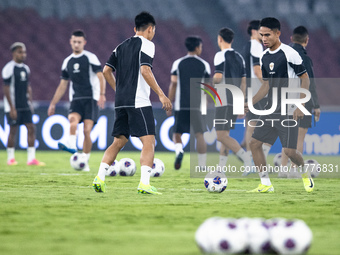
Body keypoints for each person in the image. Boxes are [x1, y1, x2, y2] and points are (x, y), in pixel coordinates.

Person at [93, 12, 172, 194]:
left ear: (135, 29)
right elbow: (145, 70)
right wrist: (161, 94)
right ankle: (144, 184)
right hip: (139, 101)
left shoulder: (119, 47)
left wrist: (119, 90)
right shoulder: (148, 44)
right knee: (149, 141)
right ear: (150, 29)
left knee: (118, 141)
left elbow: (106, 71)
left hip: (121, 102)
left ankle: (99, 177)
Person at [246, 17, 314, 193]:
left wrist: (301, 105)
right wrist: (250, 102)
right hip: (271, 108)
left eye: (267, 35)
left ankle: (305, 173)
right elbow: (266, 85)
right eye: (261, 35)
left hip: (289, 109)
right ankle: (266, 184)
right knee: (254, 143)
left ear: (278, 33)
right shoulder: (264, 56)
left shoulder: (290, 54)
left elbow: (305, 79)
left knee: (290, 152)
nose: (264, 39)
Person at [48, 30, 105, 172]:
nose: (77, 44)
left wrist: (102, 95)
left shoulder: (90, 58)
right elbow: (63, 85)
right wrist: (53, 103)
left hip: (91, 99)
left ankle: (84, 160)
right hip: (76, 100)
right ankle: (73, 147)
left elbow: (101, 76)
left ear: (84, 43)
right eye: (74, 42)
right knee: (72, 122)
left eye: (79, 42)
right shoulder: (67, 62)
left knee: (87, 131)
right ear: (70, 42)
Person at [280, 26, 321, 178]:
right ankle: (293, 170)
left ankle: (282, 170)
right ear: (307, 40)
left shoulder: (282, 55)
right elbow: (310, 84)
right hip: (302, 100)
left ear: (291, 39)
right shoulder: (305, 58)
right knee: (299, 138)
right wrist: (316, 105)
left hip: (285, 98)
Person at [167, 36, 210, 170]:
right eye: (201, 47)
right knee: (199, 134)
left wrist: (169, 102)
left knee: (177, 133)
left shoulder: (178, 63)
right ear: (197, 47)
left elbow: (173, 83)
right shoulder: (204, 64)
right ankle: (202, 164)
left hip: (181, 104)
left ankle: (179, 151)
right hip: (197, 106)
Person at [213, 28, 253, 170]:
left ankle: (248, 159)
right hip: (235, 100)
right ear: (232, 40)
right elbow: (243, 82)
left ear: (220, 39)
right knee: (225, 135)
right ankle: (221, 167)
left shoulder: (219, 55)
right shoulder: (239, 57)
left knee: (221, 136)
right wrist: (241, 102)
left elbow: (218, 78)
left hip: (223, 99)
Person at [2, 42, 45, 166]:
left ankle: (31, 159)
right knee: (13, 130)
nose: (23, 54)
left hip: (25, 105)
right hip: (13, 106)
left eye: (24, 52)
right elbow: (6, 88)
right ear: (14, 53)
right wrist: (11, 107)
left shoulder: (26, 69)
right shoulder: (9, 68)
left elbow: (28, 86)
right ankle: (10, 158)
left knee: (31, 128)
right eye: (20, 52)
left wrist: (30, 102)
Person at [242, 20, 271, 166]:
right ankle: (252, 160)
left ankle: (249, 160)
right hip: (257, 89)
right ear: (254, 31)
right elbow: (256, 69)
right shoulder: (255, 45)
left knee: (251, 125)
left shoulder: (247, 46)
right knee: (257, 125)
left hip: (250, 89)